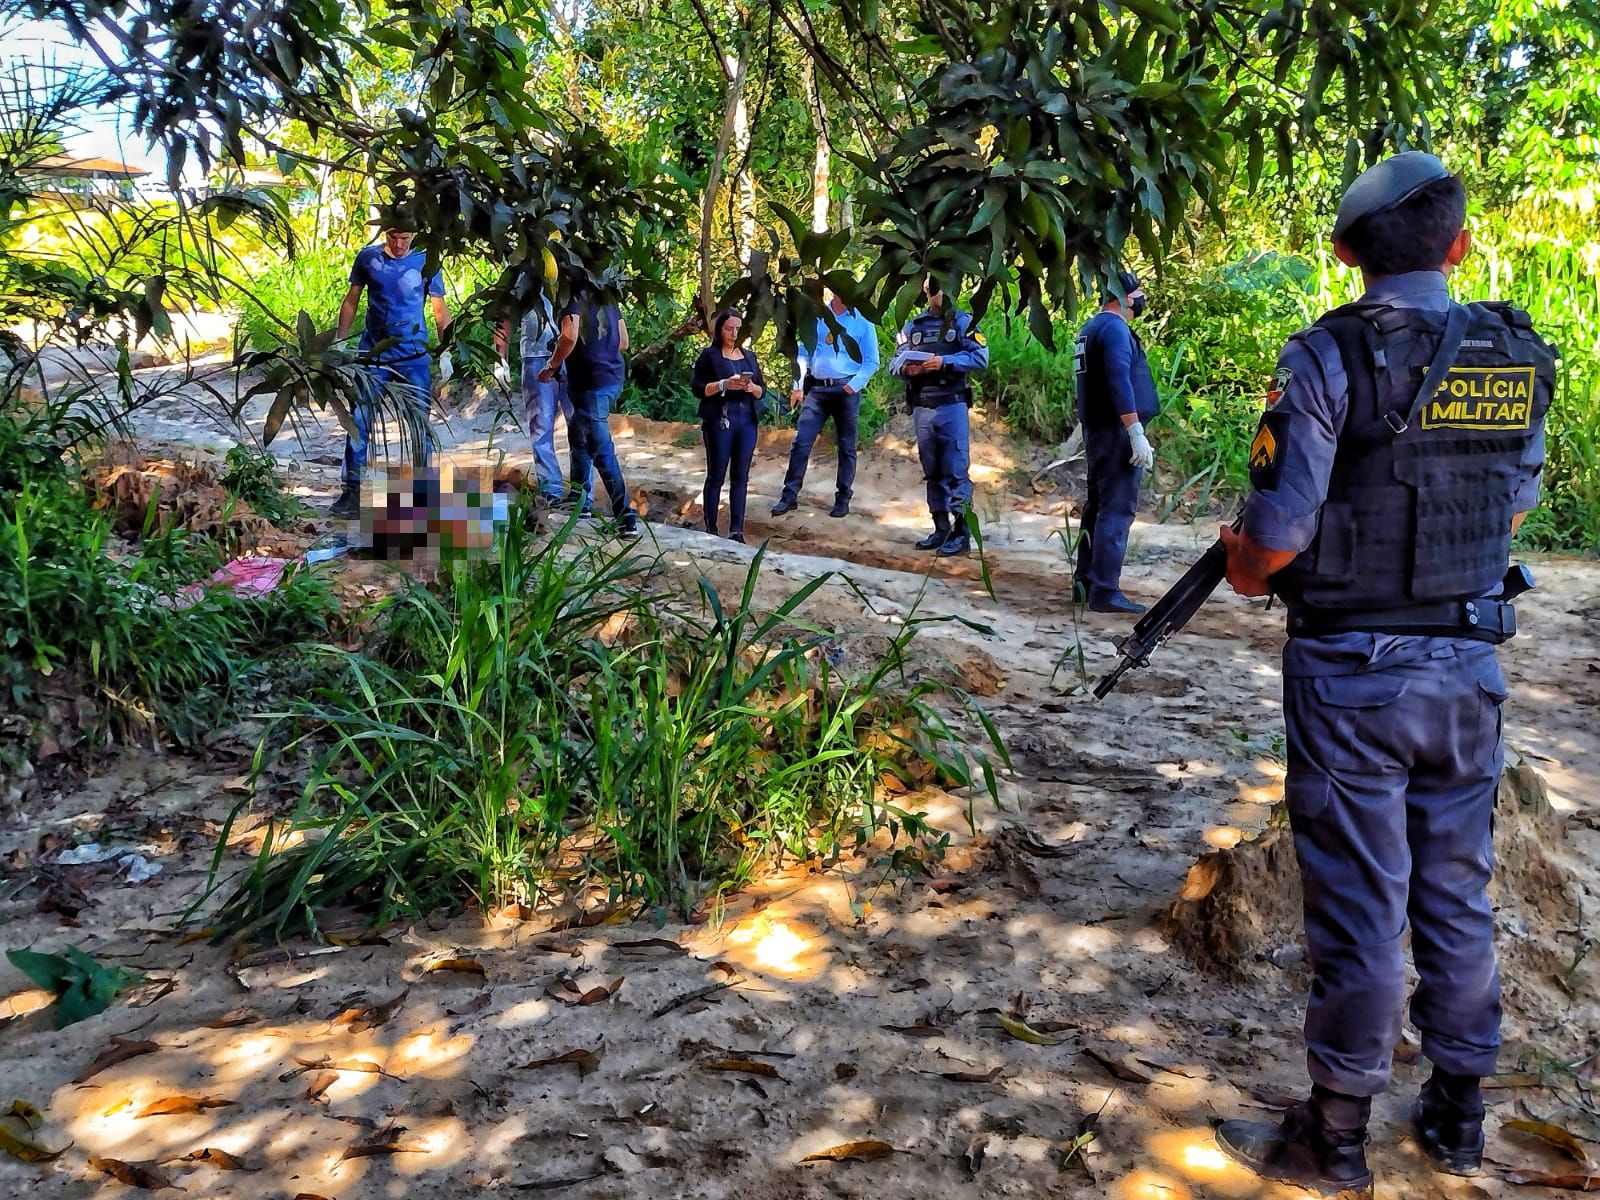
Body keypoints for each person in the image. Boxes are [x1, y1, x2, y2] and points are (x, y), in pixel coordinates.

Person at [1212, 152, 1556, 1196]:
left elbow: (1272, 543)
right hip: (1467, 672)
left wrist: (1237, 563)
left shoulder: (1322, 358)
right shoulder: (1515, 352)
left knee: (1364, 907)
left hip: (1353, 673)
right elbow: (1509, 509)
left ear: (1341, 252)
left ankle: (1335, 1138)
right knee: (1456, 892)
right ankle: (1455, 1114)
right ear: (1457, 249)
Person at [330, 227, 451, 517]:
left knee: (419, 424)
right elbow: (351, 300)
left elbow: (439, 310)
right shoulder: (368, 259)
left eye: (405, 238)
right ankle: (353, 490)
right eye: (393, 237)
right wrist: (340, 341)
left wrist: (446, 350)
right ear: (385, 233)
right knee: (358, 420)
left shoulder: (427, 260)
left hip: (413, 357)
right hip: (372, 355)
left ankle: (422, 493)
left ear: (414, 236)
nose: (398, 244)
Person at [1071, 269, 1159, 614]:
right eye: (1137, 292)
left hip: (1100, 431)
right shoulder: (1113, 328)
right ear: (1123, 297)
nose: (1141, 298)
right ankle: (1105, 590)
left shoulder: (1092, 327)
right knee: (1116, 509)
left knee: (1097, 506)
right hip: (1115, 431)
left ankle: (1085, 582)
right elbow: (1119, 379)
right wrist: (1134, 431)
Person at [889, 280, 988, 556]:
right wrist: (908, 370)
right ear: (928, 292)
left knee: (957, 471)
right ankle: (940, 527)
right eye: (936, 290)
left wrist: (946, 362)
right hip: (923, 406)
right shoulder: (913, 327)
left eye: (946, 289)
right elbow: (893, 362)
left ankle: (962, 532)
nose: (941, 295)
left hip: (952, 405)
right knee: (932, 471)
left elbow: (981, 357)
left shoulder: (964, 323)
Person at [772, 288, 879, 519]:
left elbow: (872, 361)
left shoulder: (862, 321)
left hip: (846, 390)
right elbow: (804, 353)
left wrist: (854, 384)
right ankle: (789, 496)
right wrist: (798, 385)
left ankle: (842, 499)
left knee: (846, 447)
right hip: (818, 389)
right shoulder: (818, 316)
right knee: (801, 442)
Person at [545, 292, 639, 538]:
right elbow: (623, 342)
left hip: (591, 382)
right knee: (578, 433)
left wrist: (552, 364)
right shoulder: (606, 298)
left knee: (600, 448)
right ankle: (579, 500)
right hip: (610, 377)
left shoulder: (570, 298)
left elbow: (570, 336)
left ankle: (625, 516)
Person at [691, 309, 766, 542]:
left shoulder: (749, 356)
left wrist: (751, 388)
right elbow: (698, 388)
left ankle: (737, 530)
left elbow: (762, 390)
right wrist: (723, 385)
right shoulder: (709, 356)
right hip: (719, 420)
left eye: (737, 328)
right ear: (720, 329)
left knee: (740, 476)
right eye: (728, 328)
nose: (734, 333)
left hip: (746, 421)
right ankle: (711, 527)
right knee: (716, 474)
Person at [496, 289, 574, 505]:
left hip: (572, 353)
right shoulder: (522, 273)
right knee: (540, 427)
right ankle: (552, 490)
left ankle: (582, 494)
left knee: (579, 427)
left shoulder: (571, 265)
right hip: (535, 356)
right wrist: (499, 358)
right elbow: (505, 314)